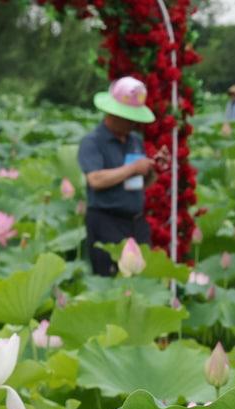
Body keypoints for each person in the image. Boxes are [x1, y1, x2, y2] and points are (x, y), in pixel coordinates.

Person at [78, 76, 164, 276]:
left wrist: (150, 168)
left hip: (136, 222)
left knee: (143, 277)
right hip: (106, 222)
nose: (132, 123)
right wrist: (133, 167)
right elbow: (96, 180)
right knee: (109, 278)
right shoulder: (92, 142)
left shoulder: (135, 140)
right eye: (128, 117)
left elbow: (140, 183)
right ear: (112, 113)